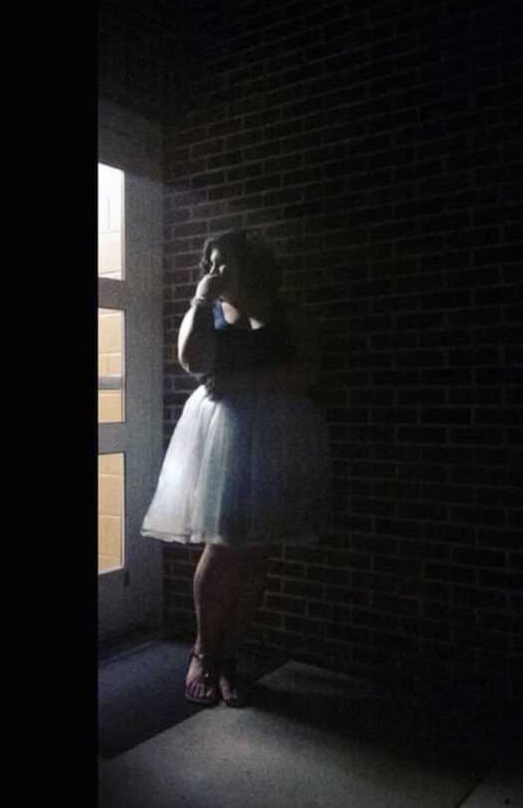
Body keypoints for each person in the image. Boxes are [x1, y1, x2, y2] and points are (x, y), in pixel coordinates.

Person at [141, 229, 331, 708]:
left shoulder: (285, 311)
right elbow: (190, 361)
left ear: (251, 264)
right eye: (211, 262)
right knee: (222, 546)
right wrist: (196, 302)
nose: (216, 271)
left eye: (225, 262)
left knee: (258, 551)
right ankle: (204, 651)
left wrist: (245, 382)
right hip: (221, 434)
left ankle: (231, 657)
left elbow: (309, 372)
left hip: (277, 436)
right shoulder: (208, 310)